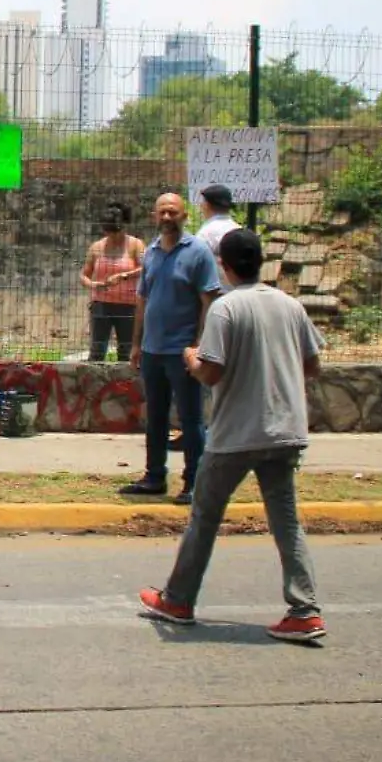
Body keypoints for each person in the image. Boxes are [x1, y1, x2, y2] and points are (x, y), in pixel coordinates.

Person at [139, 229, 328, 644]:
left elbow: (211, 371)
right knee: (286, 520)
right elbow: (312, 365)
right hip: (285, 431)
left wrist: (190, 358)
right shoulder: (290, 305)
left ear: (222, 265)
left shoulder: (225, 309)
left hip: (236, 435)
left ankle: (178, 599)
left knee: (204, 516)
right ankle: (304, 609)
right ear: (261, 261)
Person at [120, 192, 221, 504]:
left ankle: (194, 482)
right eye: (162, 212)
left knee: (191, 420)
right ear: (154, 216)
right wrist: (136, 343)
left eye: (173, 212)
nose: (167, 217)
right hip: (152, 350)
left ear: (184, 216)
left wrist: (200, 345)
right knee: (157, 417)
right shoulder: (150, 252)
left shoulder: (198, 252)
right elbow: (143, 300)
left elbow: (209, 300)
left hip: (183, 352)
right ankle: (154, 477)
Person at [80, 203, 144, 362]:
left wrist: (124, 276)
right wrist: (94, 285)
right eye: (110, 232)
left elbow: (147, 268)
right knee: (97, 349)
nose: (114, 236)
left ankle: (126, 385)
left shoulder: (135, 245)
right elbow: (84, 275)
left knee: (126, 350)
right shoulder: (97, 247)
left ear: (124, 226)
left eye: (117, 231)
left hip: (128, 306)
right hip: (101, 305)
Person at [196, 183, 240, 254]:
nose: (200, 205)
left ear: (207, 205)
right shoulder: (238, 229)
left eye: (203, 202)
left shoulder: (205, 234)